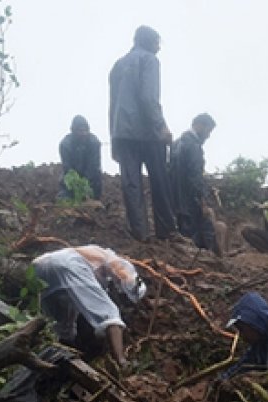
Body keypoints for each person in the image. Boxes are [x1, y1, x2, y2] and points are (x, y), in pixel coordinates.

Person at [109, 26, 175, 242]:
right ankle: (166, 233)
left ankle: (141, 236)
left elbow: (113, 106)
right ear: (149, 41)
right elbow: (148, 97)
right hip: (148, 132)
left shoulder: (118, 65)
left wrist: (114, 140)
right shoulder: (149, 60)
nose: (158, 48)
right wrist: (161, 126)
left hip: (123, 134)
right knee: (159, 180)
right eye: (157, 42)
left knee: (132, 184)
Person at [32, 245, 146, 364]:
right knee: (110, 312)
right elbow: (108, 316)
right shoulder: (107, 265)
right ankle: (121, 361)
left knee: (61, 322)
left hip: (40, 265)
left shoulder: (102, 256)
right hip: (69, 264)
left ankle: (61, 357)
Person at [169, 113, 218, 252]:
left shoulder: (177, 144)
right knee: (200, 234)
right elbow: (195, 176)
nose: (208, 136)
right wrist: (202, 201)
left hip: (176, 201)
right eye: (208, 131)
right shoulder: (193, 146)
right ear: (199, 125)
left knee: (184, 234)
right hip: (190, 202)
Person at [58, 115, 103, 201]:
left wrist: (84, 185)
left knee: (96, 180)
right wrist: (77, 184)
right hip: (73, 179)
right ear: (73, 131)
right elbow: (67, 168)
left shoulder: (94, 143)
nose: (84, 133)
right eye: (80, 131)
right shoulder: (65, 145)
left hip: (91, 180)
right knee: (64, 195)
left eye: (86, 130)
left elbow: (94, 166)